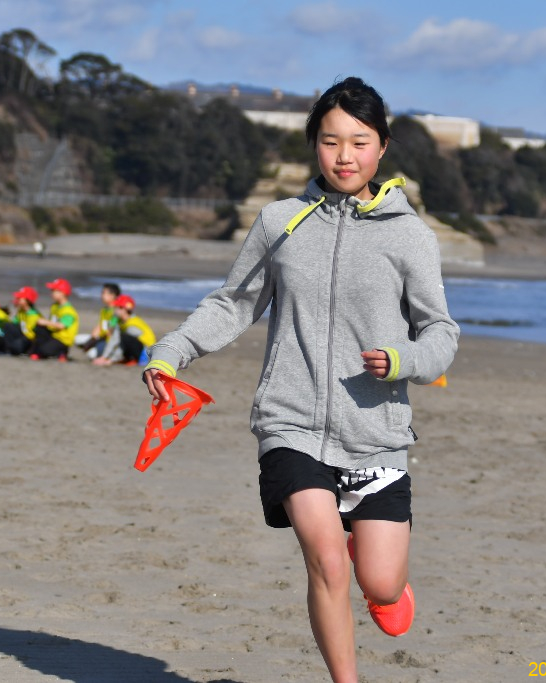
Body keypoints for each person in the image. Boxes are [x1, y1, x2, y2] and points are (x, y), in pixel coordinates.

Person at [141, 77, 459, 682]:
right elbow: (233, 303)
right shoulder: (280, 222)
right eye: (331, 141)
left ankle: (384, 583)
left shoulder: (410, 235)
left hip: (375, 433)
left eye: (359, 142)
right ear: (314, 144)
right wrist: (170, 353)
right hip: (290, 423)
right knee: (327, 563)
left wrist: (404, 360)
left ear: (383, 147)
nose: (345, 156)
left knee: (378, 582)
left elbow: (440, 333)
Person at [92, 294, 155, 366]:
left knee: (123, 337)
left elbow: (120, 342)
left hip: (146, 353)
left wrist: (109, 360)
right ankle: (126, 358)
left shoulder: (132, 325)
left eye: (116, 308)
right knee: (121, 338)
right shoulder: (122, 322)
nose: (114, 310)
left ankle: (133, 359)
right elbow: (113, 338)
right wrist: (104, 357)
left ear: (123, 309)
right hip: (140, 349)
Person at [30, 278, 79, 361]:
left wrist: (46, 322)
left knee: (45, 350)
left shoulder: (68, 310)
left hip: (63, 339)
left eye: (54, 291)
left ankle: (62, 353)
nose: (52, 293)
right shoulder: (55, 306)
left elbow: (61, 326)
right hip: (53, 334)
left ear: (63, 293)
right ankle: (39, 352)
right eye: (52, 291)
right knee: (39, 328)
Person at [75, 282, 120, 359]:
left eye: (104, 293)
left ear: (113, 295)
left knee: (92, 354)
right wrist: (94, 336)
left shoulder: (117, 311)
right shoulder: (104, 310)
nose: (101, 295)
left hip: (109, 340)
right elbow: (101, 325)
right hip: (101, 337)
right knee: (77, 339)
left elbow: (112, 329)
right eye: (102, 293)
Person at [2, 286, 41, 356]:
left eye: (19, 298)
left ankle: (19, 349)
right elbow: (14, 323)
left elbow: (29, 334)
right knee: (7, 326)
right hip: (23, 335)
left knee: (16, 346)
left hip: (29, 340)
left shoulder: (33, 314)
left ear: (27, 301)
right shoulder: (21, 311)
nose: (17, 300)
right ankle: (8, 349)